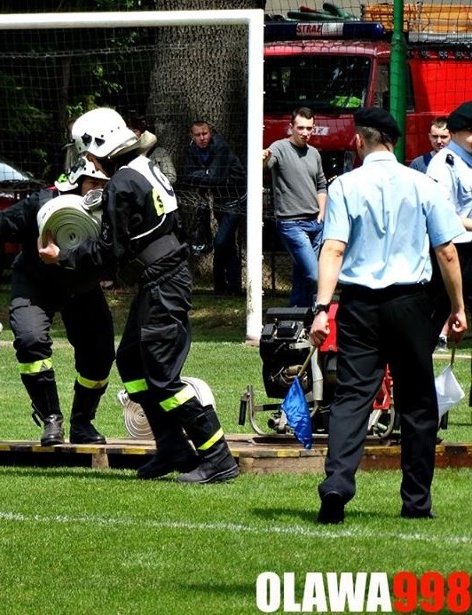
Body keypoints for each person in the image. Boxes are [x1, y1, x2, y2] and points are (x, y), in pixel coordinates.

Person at [39, 107, 239, 484]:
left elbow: (108, 253)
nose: (89, 161)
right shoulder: (144, 167)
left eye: (89, 152)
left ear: (100, 148)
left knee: (163, 378)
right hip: (163, 277)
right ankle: (172, 447)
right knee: (130, 362)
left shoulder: (121, 184)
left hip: (164, 281)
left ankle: (218, 457)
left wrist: (63, 256)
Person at [308, 107, 466, 524]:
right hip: (412, 304)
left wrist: (323, 308)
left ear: (359, 141)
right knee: (417, 402)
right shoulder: (423, 183)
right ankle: (416, 502)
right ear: (393, 142)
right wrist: (458, 307)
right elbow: (447, 251)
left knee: (353, 398)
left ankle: (337, 485)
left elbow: (334, 249)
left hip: (360, 304)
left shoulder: (344, 185)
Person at [0, 157, 115, 446]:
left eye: (103, 186)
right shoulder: (40, 202)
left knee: (101, 354)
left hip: (81, 286)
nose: (97, 192)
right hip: (34, 283)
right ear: (76, 184)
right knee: (30, 341)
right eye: (92, 184)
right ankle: (50, 417)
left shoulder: (112, 210)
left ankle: (82, 422)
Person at [263, 107, 328, 307]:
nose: (305, 132)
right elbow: (265, 164)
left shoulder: (314, 153)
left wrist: (322, 213)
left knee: (302, 276)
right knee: (314, 275)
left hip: (315, 223)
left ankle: (298, 317)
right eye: (300, 128)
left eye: (309, 128)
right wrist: (263, 159)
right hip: (291, 224)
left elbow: (321, 185)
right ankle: (318, 308)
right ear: (291, 127)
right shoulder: (280, 148)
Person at [181, 120, 247, 295]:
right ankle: (230, 288)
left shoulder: (221, 148)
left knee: (220, 241)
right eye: (198, 135)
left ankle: (221, 285)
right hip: (218, 201)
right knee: (228, 245)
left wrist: (204, 175)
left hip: (236, 201)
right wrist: (207, 174)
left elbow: (215, 178)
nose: (202, 138)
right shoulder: (192, 150)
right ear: (192, 136)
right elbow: (187, 176)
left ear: (210, 133)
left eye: (205, 134)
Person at [426, 102, 472, 351]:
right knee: (439, 313)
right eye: (470, 130)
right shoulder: (444, 163)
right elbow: (442, 215)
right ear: (454, 133)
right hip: (453, 250)